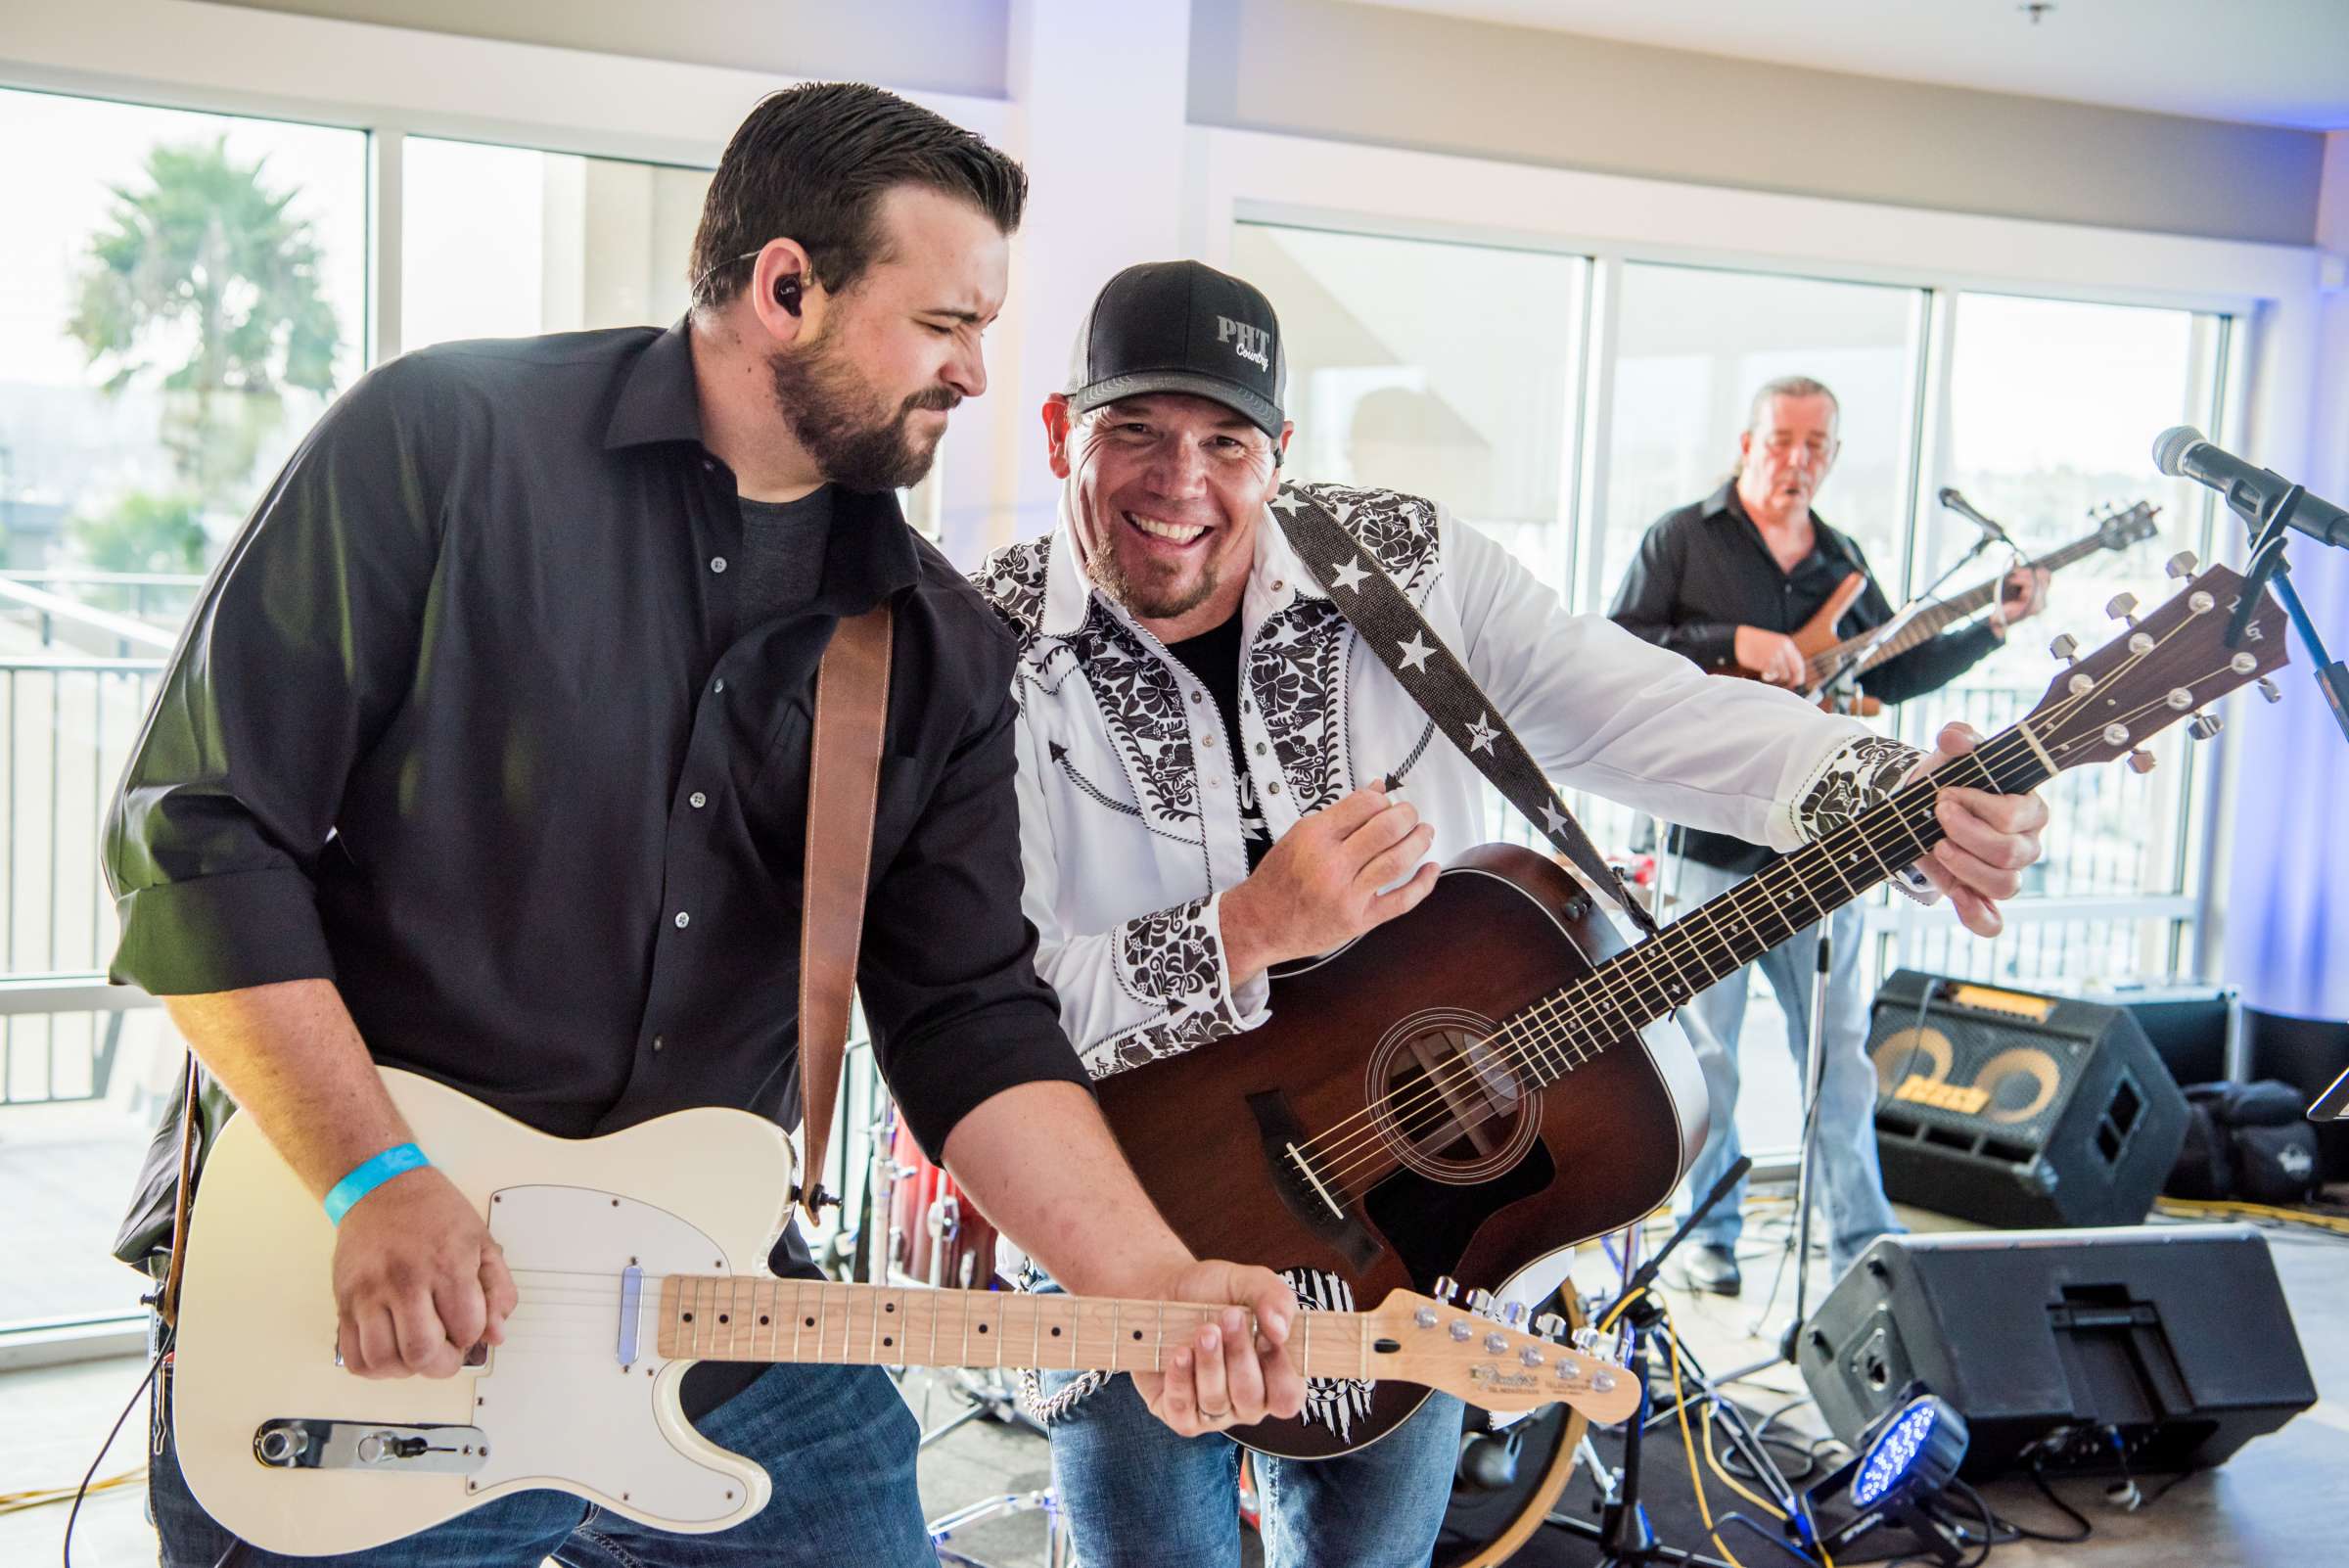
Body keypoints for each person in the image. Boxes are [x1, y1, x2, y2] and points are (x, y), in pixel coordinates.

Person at [106, 87, 1301, 1568]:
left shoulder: (932, 646)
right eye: (943, 324)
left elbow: (967, 1014)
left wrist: (1154, 1277)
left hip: (713, 1307)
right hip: (362, 1275)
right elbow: (199, 837)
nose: (979, 373)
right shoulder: (442, 440)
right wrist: (373, 1176)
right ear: (784, 287)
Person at [972, 264, 2050, 1568]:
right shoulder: (986, 650)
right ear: (1056, 430)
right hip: (1117, 1223)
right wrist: (1242, 928)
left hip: (1398, 1234)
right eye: (1132, 430)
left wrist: (1885, 792)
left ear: (1281, 455)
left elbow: (1638, 708)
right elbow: (974, 1002)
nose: (1178, 482)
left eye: (1225, 441)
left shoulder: (1404, 568)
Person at [1608, 374, 2050, 1296]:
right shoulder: (1683, 537)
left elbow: (1902, 664)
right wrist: (1733, 642)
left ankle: (1862, 1245)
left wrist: (1995, 627)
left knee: (1837, 1063)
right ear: (1747, 443)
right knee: (1705, 1064)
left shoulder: (1841, 562)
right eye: (1781, 441)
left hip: (1821, 858)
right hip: (1707, 850)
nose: (1796, 460)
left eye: (1815, 446)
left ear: (1833, 457)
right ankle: (1706, 1235)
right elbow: (1617, 649)